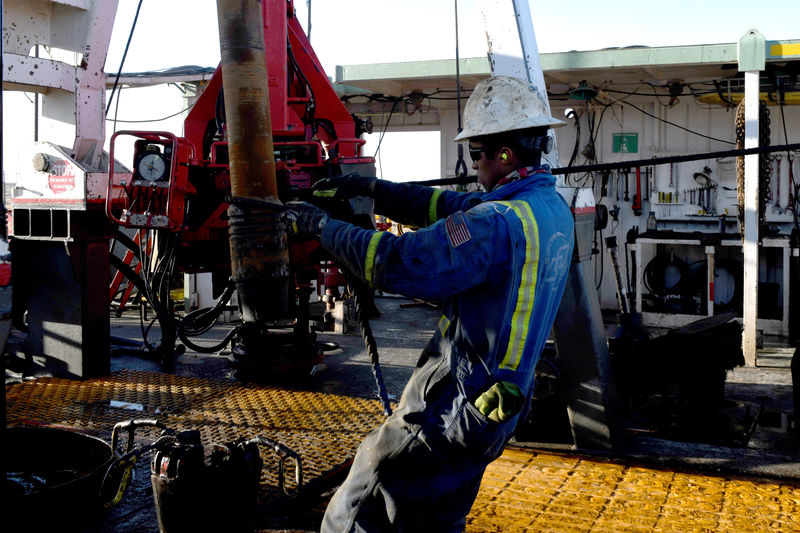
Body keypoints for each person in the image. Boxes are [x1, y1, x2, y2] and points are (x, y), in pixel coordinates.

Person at [284, 75, 574, 532]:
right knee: (436, 520)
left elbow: (399, 261)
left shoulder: (494, 225)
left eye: (478, 154)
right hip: (496, 410)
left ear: (506, 154)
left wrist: (320, 227)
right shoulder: (548, 208)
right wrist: (370, 189)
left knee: (355, 509)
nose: (475, 165)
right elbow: (441, 205)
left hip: (450, 410)